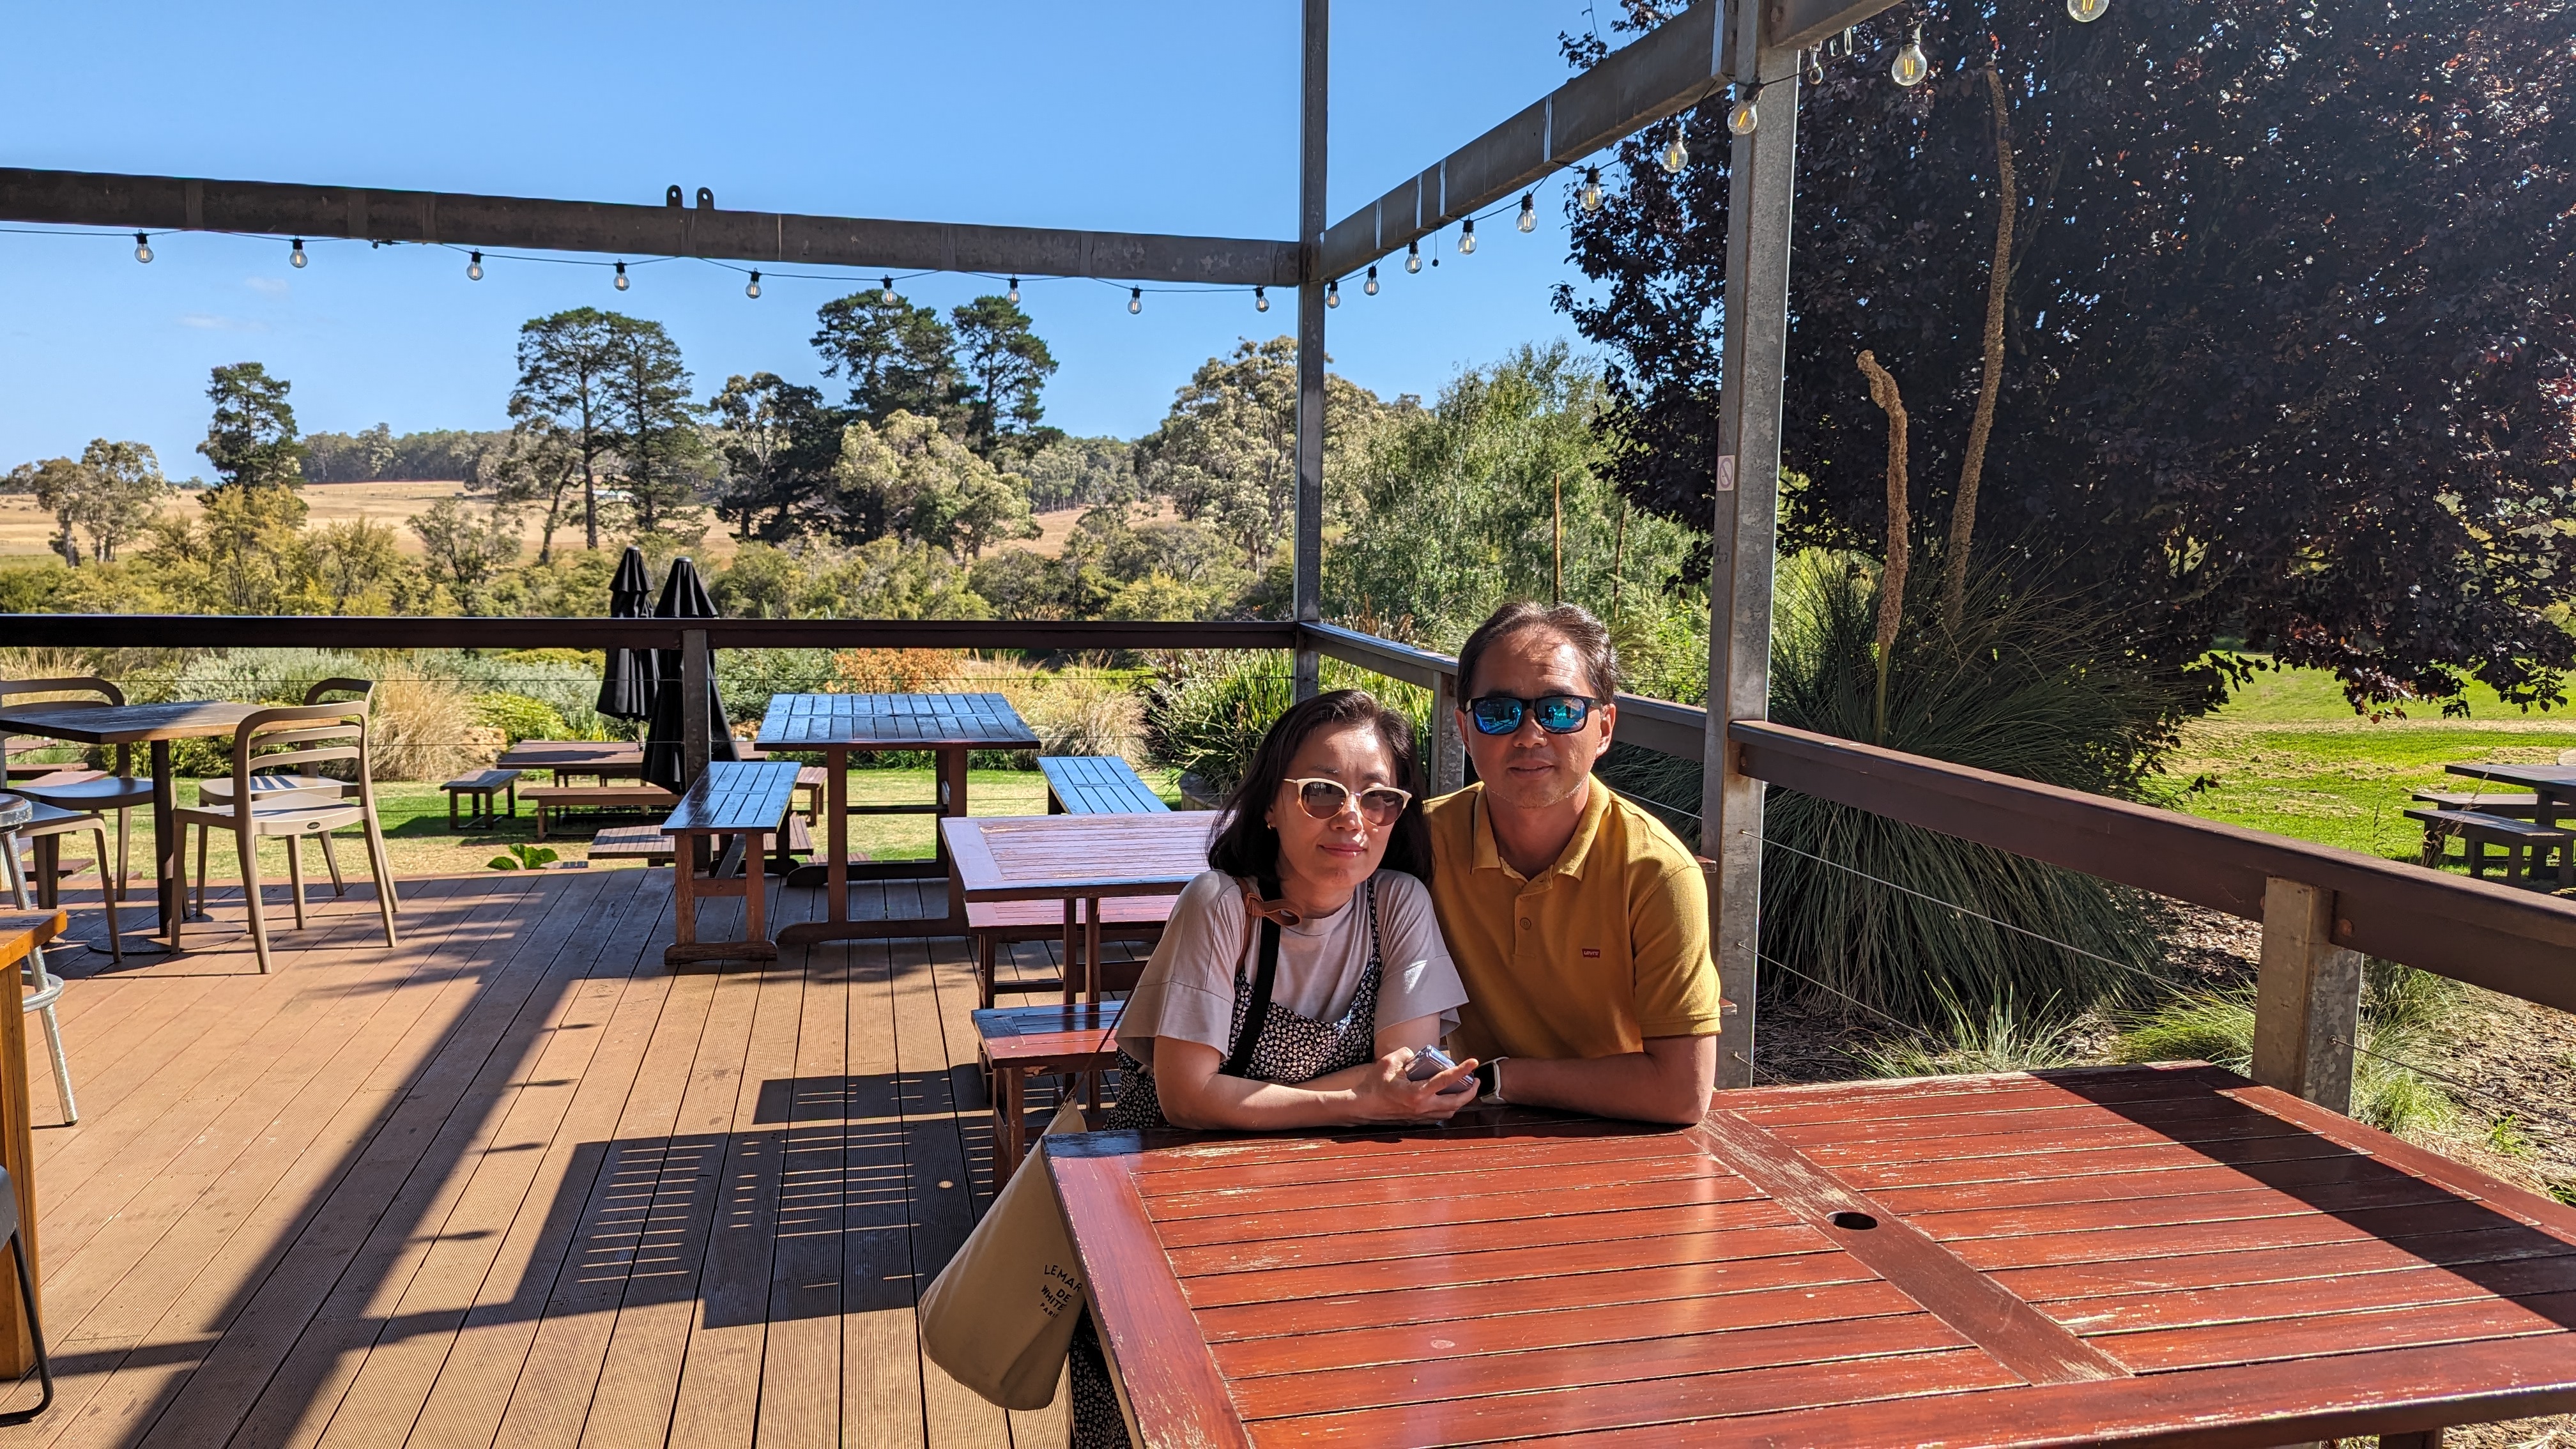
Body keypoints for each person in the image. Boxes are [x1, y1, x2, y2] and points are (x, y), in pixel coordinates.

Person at [1069, 687, 1476, 1447]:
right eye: (1321, 792)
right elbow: (1186, 1100)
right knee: (1161, 1418)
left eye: (1379, 799)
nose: (1352, 818)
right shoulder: (1221, 905)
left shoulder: (1397, 904)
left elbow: (1405, 1079)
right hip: (1173, 1215)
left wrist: (1358, 1095)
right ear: (1269, 807)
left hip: (1324, 1225)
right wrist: (1359, 1099)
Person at [1424, 600, 1724, 1125]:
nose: (1529, 735)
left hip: (1619, 1134)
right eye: (1499, 712)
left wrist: (1500, 1079)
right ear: (1464, 730)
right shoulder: (1421, 843)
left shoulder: (1655, 872)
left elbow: (1683, 1092)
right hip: (1463, 1130)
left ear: (1604, 727)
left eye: (1561, 710)